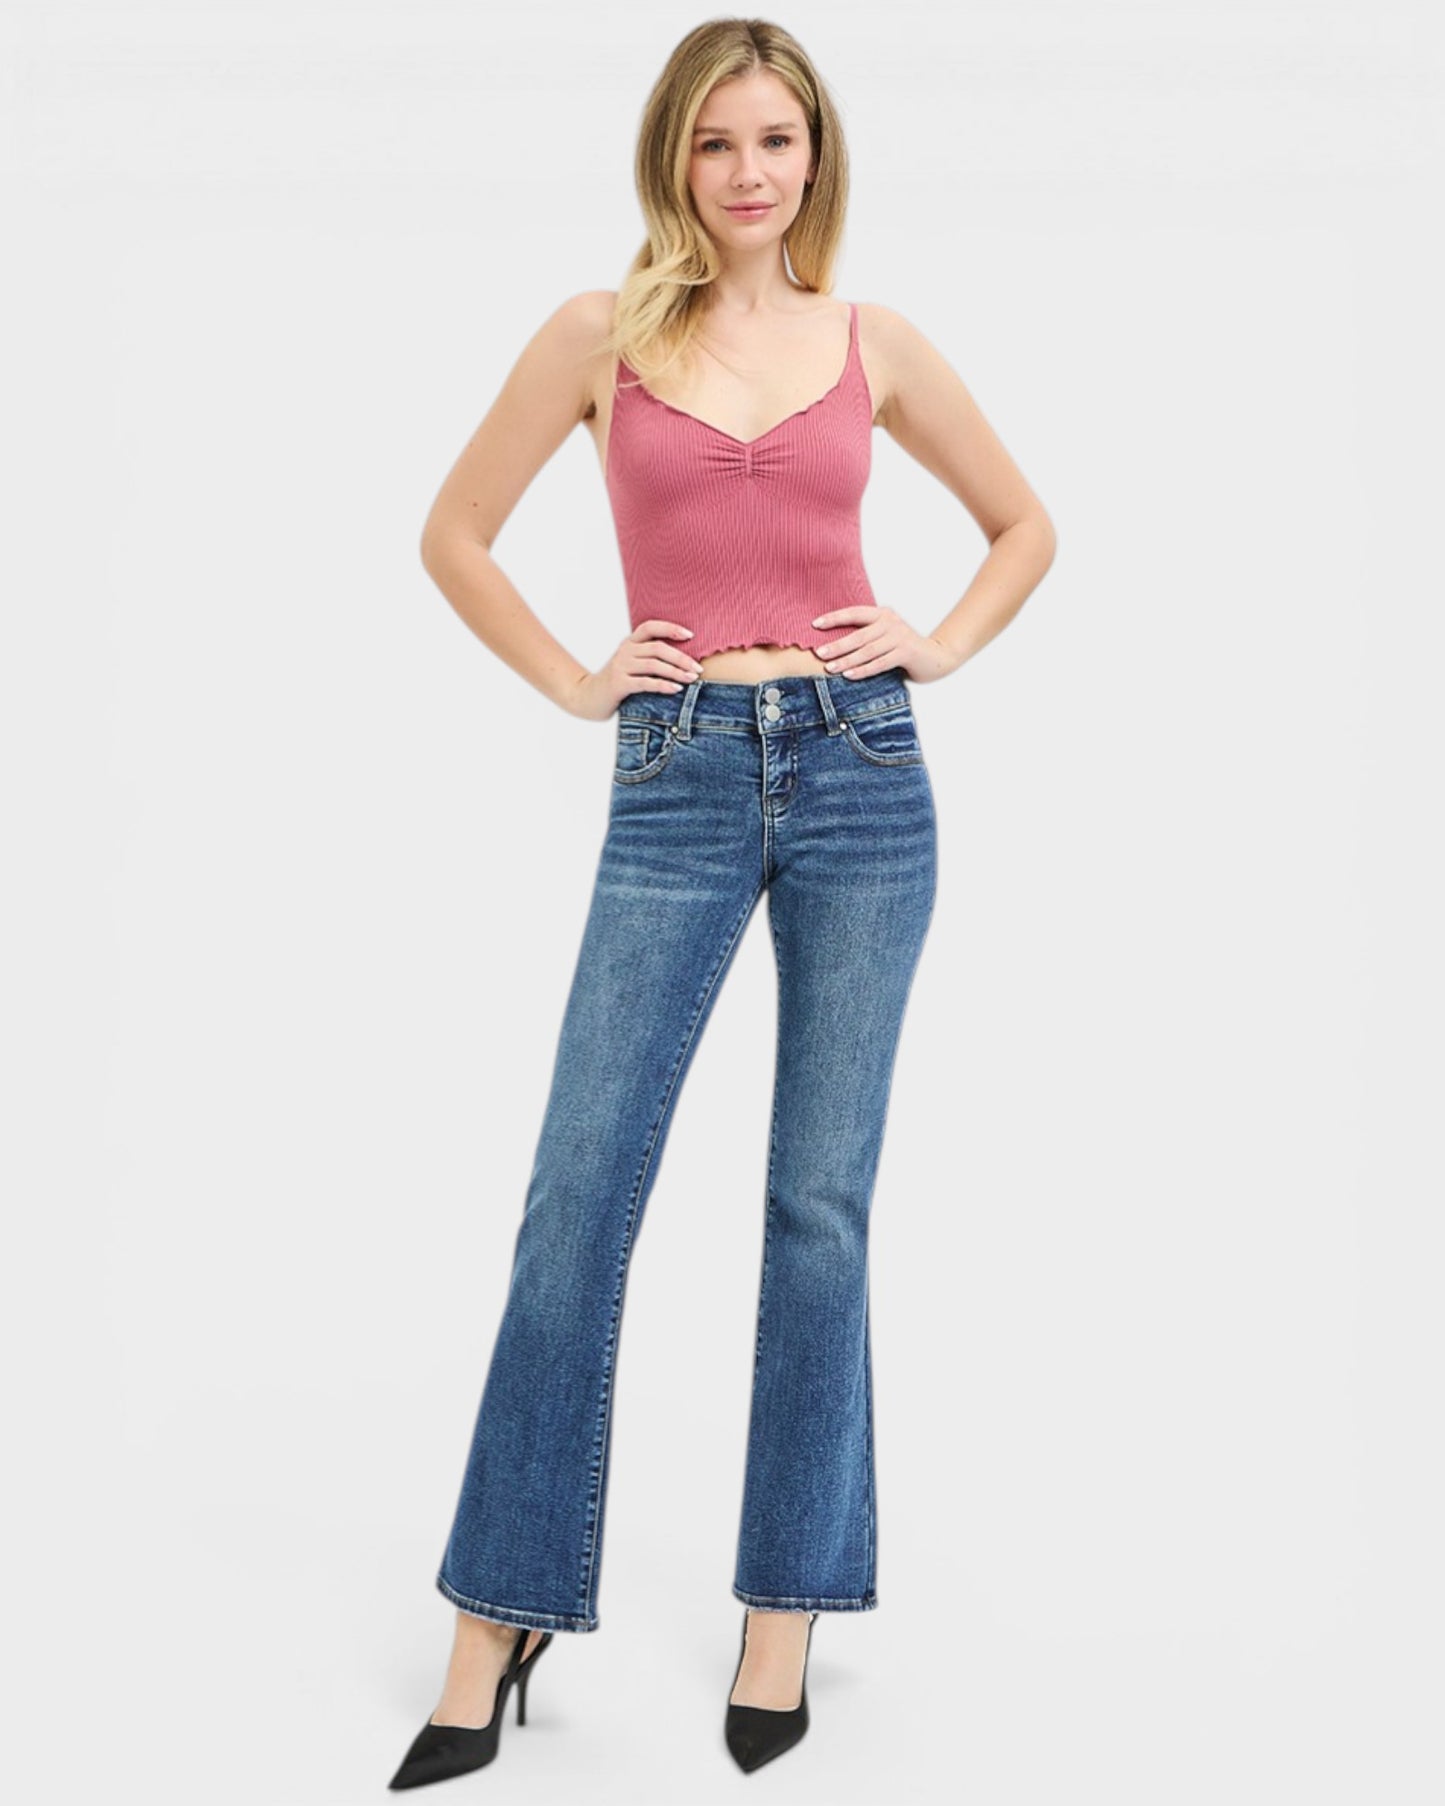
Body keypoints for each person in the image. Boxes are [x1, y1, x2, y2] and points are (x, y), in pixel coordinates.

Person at [388, 18, 1055, 1790]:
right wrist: (572, 677)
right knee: (576, 1192)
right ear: (669, 159)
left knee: (815, 1204)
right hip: (675, 771)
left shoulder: (873, 341)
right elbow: (453, 531)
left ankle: (785, 1611)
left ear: (813, 154)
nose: (748, 172)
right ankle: (496, 1615)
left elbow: (1023, 526)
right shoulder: (596, 336)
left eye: (775, 139)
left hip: (862, 769)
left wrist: (936, 642)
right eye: (714, 143)